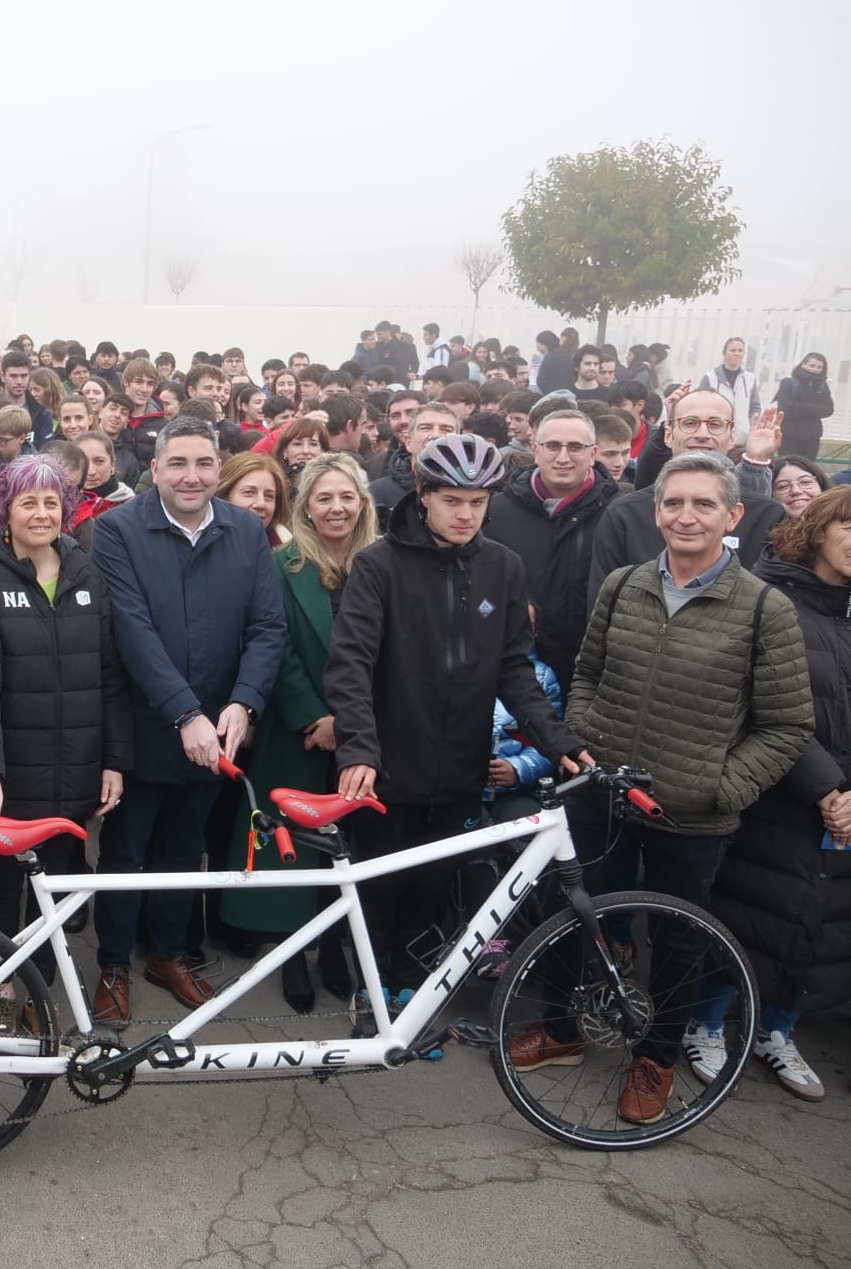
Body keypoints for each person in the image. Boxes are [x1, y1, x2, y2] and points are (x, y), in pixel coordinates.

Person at [508, 452, 815, 1122]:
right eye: (675, 502)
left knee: (678, 939)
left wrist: (722, 785)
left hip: (694, 810)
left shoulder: (765, 609)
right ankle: (561, 1030)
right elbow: (586, 672)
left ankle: (656, 1057)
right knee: (572, 916)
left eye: (704, 504)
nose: (686, 515)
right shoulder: (623, 584)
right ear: (656, 512)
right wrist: (585, 740)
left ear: (732, 517)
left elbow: (788, 726)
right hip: (604, 791)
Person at [326, 435, 589, 1009]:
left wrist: (559, 740)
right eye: (451, 500)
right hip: (389, 767)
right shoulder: (378, 565)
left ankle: (410, 990)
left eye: (477, 501)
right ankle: (370, 994)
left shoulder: (503, 566)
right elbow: (351, 666)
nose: (466, 514)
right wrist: (360, 751)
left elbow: (515, 669)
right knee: (379, 884)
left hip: (461, 767)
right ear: (423, 495)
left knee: (433, 886)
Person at [87, 417, 286, 1022]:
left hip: (219, 732)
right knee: (125, 854)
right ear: (154, 468)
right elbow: (132, 633)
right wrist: (184, 713)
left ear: (218, 467)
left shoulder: (246, 531)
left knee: (184, 850)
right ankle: (114, 963)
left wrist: (243, 703)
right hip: (146, 729)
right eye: (178, 464)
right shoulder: (116, 530)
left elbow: (267, 628)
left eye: (203, 464)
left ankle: (168, 953)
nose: (192, 476)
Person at [0, 454, 131, 1023]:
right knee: (3, 890)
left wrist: (113, 761)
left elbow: (110, 676)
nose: (41, 512)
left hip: (78, 769)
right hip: (13, 777)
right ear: (5, 510)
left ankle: (43, 991)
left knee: (59, 888)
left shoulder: (87, 575)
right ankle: (2, 987)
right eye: (28, 501)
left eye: (51, 501)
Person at [687, 487, 851, 1102]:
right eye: (848, 527)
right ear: (818, 531)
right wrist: (828, 788)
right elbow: (762, 706)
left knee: (818, 924)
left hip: (843, 810)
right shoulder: (770, 598)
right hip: (779, 793)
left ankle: (777, 1032)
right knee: (750, 913)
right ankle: (705, 1023)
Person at [221, 454, 376, 1007]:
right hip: (299, 731)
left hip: (365, 732)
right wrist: (315, 718)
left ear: (362, 502)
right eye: (324, 498)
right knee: (289, 845)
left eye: (346, 497)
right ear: (306, 506)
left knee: (348, 849)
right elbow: (273, 645)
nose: (337, 508)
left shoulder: (383, 563)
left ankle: (334, 946)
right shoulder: (282, 564)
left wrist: (352, 724)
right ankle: (286, 951)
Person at [587, 391, 785, 607]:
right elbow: (603, 608)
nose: (702, 434)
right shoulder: (625, 514)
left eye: (715, 424)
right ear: (669, 434)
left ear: (731, 436)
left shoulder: (768, 516)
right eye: (689, 423)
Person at [481, 409, 620, 690]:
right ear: (535, 449)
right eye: (553, 446)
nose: (563, 457)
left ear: (593, 453)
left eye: (575, 447)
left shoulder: (617, 514)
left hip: (592, 674)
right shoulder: (495, 512)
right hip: (513, 672)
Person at [697, 337, 761, 448]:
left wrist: (751, 426)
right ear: (724, 353)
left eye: (740, 350)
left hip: (742, 439)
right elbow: (700, 404)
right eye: (733, 350)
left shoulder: (750, 378)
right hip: (716, 436)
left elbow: (755, 406)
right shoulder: (710, 377)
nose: (737, 354)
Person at [218, 453, 292, 547]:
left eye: (268, 496)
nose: (261, 504)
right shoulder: (200, 546)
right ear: (224, 496)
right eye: (249, 493)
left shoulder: (289, 554)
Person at [773, 352, 834, 462]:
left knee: (808, 469)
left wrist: (799, 407)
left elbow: (828, 410)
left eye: (819, 367)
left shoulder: (822, 387)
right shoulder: (788, 383)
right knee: (788, 467)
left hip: (812, 438)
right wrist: (814, 409)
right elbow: (785, 408)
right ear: (803, 364)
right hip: (790, 436)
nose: (815, 369)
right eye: (812, 365)